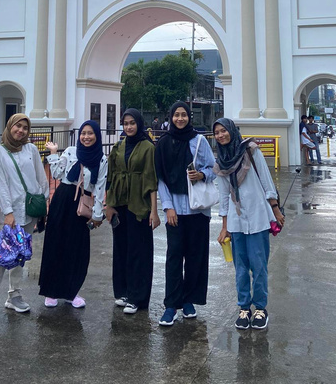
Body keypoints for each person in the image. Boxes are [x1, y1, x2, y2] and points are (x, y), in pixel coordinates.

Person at [0, 114, 50, 328]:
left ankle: (14, 294)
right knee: (0, 257)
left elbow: (41, 178)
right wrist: (8, 212)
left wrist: (42, 201)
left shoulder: (31, 149)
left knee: (20, 255)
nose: (21, 130)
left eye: (25, 127)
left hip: (30, 210)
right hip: (11, 213)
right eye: (18, 126)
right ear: (10, 126)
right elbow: (1, 183)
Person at [214, 118, 284, 331]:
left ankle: (261, 308)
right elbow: (223, 196)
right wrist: (224, 226)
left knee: (259, 266)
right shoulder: (221, 162)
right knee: (241, 268)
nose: (221, 135)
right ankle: (244, 308)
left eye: (223, 130)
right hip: (236, 221)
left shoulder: (251, 151)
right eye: (216, 132)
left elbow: (266, 181)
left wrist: (275, 209)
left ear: (232, 130)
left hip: (258, 217)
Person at [154, 101, 216, 326]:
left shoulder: (199, 141)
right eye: (176, 115)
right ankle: (171, 304)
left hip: (198, 210)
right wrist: (168, 207)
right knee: (174, 256)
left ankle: (189, 300)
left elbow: (213, 167)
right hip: (175, 211)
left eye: (183, 115)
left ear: (189, 116)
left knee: (195, 257)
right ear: (170, 117)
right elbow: (161, 178)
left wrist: (202, 175)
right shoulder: (163, 143)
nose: (180, 119)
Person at [38, 120, 107, 308]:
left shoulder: (101, 159)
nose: (86, 137)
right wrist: (54, 154)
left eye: (90, 133)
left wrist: (97, 215)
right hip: (63, 199)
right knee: (55, 244)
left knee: (77, 248)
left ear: (97, 136)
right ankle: (50, 291)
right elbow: (56, 174)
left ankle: (71, 291)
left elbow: (99, 188)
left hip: (82, 204)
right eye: (83, 133)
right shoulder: (70, 151)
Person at [105, 108, 160, 314]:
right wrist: (109, 204)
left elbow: (151, 180)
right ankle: (124, 291)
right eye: (125, 123)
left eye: (132, 123)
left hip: (139, 204)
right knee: (121, 249)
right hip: (120, 202)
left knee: (139, 250)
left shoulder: (148, 147)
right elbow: (110, 176)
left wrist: (154, 211)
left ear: (139, 124)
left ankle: (138, 297)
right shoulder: (118, 146)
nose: (129, 127)